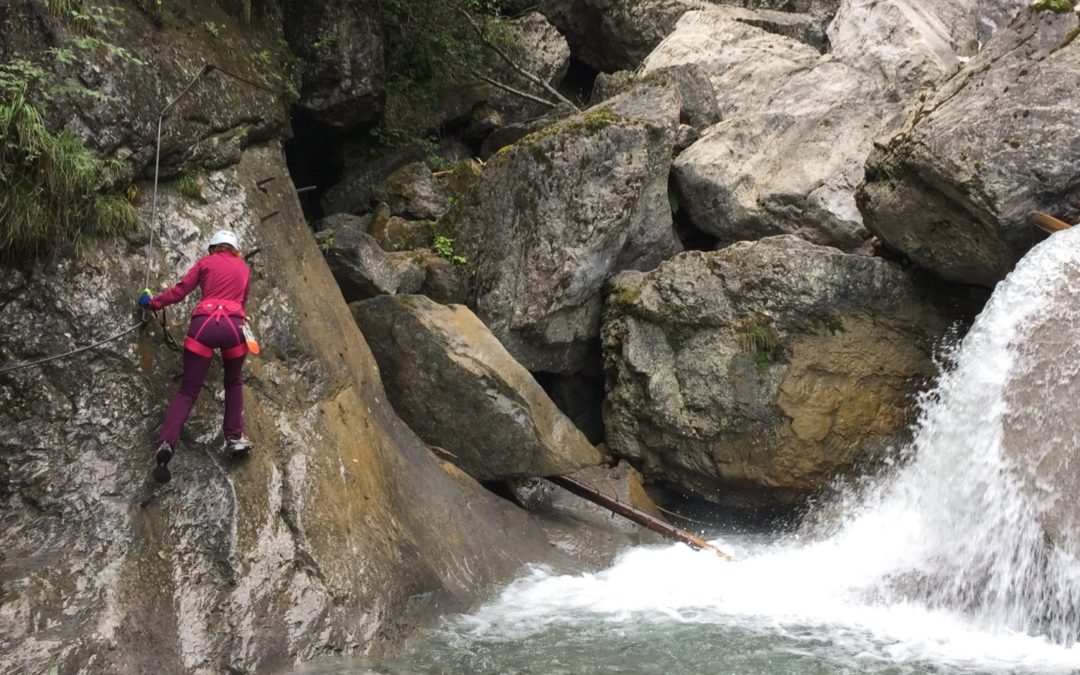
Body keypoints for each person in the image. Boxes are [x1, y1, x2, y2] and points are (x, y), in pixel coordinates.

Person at [139, 229, 253, 483]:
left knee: (188, 391)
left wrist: (152, 303)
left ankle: (166, 445)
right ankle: (234, 437)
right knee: (233, 381)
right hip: (234, 328)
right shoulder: (244, 268)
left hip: (203, 325)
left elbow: (181, 291)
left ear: (213, 248)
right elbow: (243, 302)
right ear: (234, 249)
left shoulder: (206, 262)